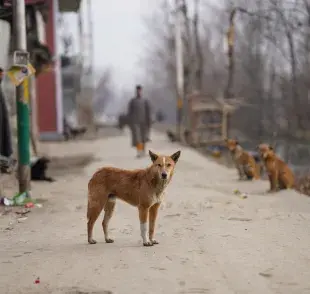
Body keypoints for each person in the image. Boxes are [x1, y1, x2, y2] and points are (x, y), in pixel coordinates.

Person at [127, 85, 151, 158]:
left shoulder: (145, 101)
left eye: (140, 90)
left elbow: (148, 112)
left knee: (143, 138)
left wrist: (149, 121)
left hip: (144, 122)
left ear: (141, 91)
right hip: (135, 123)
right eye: (137, 90)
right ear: (136, 91)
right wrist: (130, 122)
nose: (139, 92)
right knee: (138, 138)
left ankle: (143, 151)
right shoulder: (132, 101)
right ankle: (139, 152)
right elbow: (129, 113)